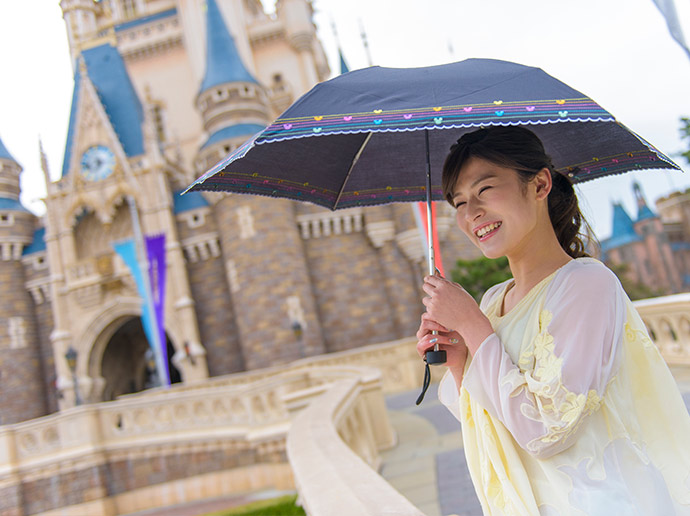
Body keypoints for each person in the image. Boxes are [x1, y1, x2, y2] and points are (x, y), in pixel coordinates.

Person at [416, 126, 690, 515]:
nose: (471, 213)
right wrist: (461, 361)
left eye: (485, 190)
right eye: (458, 202)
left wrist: (473, 326)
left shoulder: (585, 284)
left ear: (540, 184)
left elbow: (547, 430)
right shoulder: (494, 300)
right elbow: (490, 421)